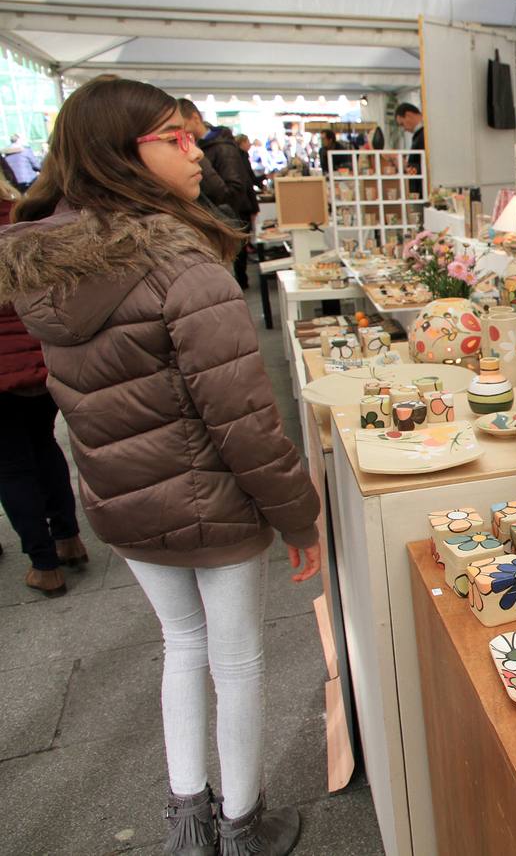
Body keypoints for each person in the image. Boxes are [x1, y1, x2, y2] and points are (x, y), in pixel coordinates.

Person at [0, 77, 320, 855]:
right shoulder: (182, 265)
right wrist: (298, 517)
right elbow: (244, 421)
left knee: (183, 645)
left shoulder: (47, 266)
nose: (195, 151)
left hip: (120, 497)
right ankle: (243, 823)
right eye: (173, 137)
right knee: (235, 656)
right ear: (122, 153)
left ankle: (187, 825)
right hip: (209, 500)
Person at [0, 170, 89, 597]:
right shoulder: (21, 217)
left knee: (12, 466)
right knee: (44, 446)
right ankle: (68, 537)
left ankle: (43, 562)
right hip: (38, 360)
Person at [178, 100, 257, 287]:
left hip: (223, 223)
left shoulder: (220, 149)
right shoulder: (209, 147)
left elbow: (233, 191)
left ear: (195, 118)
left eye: (181, 126)